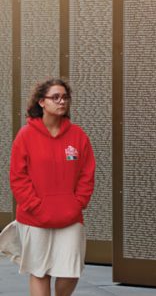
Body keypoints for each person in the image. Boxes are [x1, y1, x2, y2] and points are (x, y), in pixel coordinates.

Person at [0, 78, 95, 296]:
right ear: (42, 102)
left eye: (65, 97)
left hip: (70, 216)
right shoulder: (26, 135)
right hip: (34, 217)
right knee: (40, 271)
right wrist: (35, 205)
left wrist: (77, 203)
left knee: (70, 272)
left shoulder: (78, 136)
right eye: (56, 97)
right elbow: (18, 176)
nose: (62, 102)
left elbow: (87, 175)